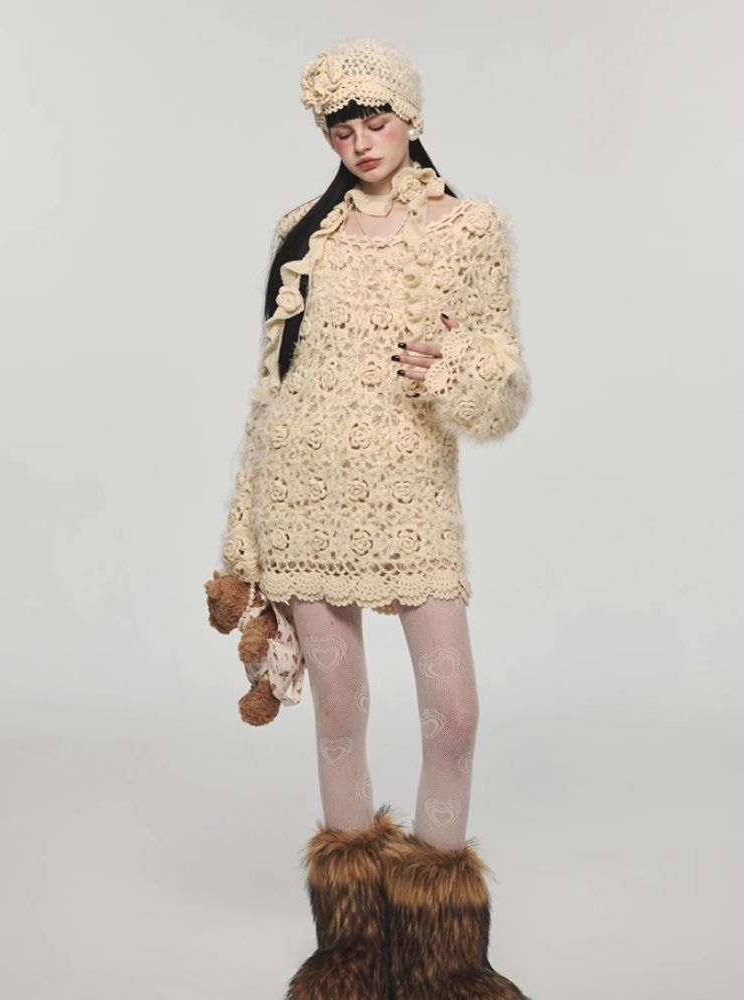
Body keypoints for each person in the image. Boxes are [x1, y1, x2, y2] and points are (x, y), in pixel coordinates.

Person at [216, 35, 532, 1000]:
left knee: (454, 714)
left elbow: (502, 389)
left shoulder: (467, 227)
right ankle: (351, 949)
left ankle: (442, 957)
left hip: (408, 501)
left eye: (375, 120)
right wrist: (243, 535)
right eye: (340, 127)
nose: (359, 141)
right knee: (341, 712)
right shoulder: (302, 232)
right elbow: (270, 393)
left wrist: (453, 368)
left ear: (411, 117)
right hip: (301, 496)